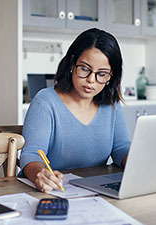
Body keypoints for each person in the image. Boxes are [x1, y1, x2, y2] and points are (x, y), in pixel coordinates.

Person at [20, 28, 131, 193]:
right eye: (85, 69)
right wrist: (39, 173)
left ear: (111, 76)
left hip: (97, 190)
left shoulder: (111, 104)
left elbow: (120, 147)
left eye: (102, 74)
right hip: (55, 190)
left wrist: (136, 162)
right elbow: (32, 154)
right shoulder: (46, 102)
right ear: (73, 63)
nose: (91, 80)